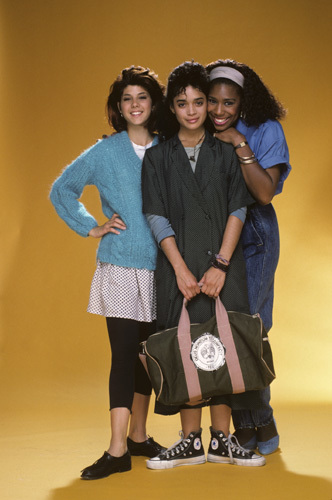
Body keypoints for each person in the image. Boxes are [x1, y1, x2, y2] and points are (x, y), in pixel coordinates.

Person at [142, 61, 266, 470]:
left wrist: (221, 264)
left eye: (199, 101)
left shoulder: (226, 153)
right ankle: (189, 440)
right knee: (185, 346)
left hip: (220, 266)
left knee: (224, 344)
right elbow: (156, 215)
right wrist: (179, 268)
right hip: (178, 266)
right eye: (183, 103)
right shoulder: (158, 157)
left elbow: (238, 208)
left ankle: (222, 440)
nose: (193, 111)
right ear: (172, 108)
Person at [50, 66, 166, 480]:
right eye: (127, 99)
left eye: (142, 97)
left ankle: (138, 437)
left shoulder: (167, 147)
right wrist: (91, 226)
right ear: (119, 108)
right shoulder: (105, 151)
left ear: (154, 104)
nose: (135, 105)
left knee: (146, 357)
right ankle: (117, 450)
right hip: (119, 264)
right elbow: (61, 188)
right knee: (122, 355)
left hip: (161, 269)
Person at [206, 59, 291, 454]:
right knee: (222, 330)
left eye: (229, 103)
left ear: (242, 103)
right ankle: (254, 424)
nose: (220, 111)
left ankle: (259, 423)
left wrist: (239, 142)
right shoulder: (199, 126)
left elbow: (263, 193)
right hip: (215, 235)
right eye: (213, 101)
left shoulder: (265, 130)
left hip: (254, 231)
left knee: (250, 328)